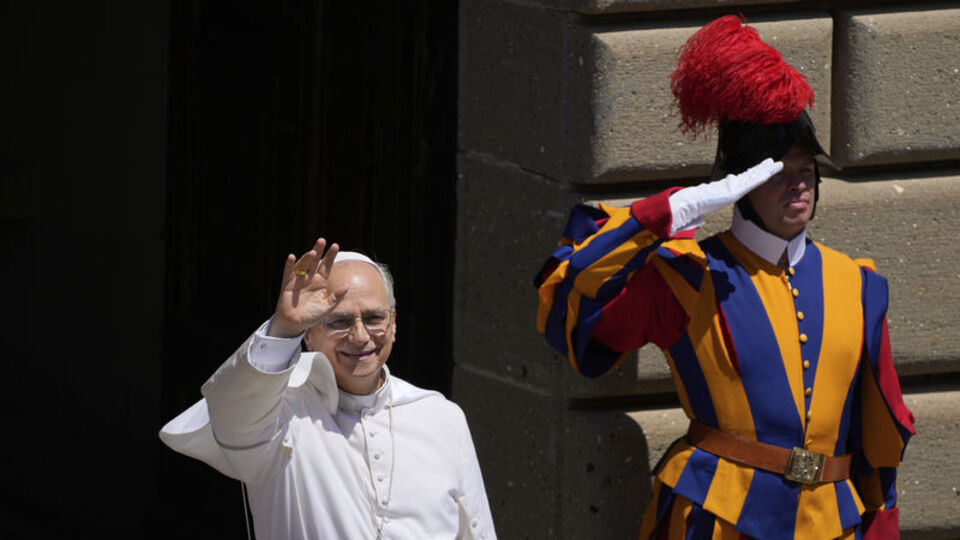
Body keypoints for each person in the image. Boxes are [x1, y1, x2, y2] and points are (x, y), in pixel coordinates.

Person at [534, 16, 914, 540]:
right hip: (717, 520)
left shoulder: (858, 284)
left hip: (832, 524)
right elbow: (574, 298)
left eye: (806, 170)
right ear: (741, 183)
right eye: (777, 173)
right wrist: (667, 213)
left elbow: (879, 433)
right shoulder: (686, 274)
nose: (798, 185)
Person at [161, 238, 496, 540]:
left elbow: (477, 532)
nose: (360, 337)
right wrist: (284, 328)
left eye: (374, 318)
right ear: (309, 334)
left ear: (393, 323)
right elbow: (232, 418)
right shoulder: (281, 415)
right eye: (340, 321)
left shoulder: (442, 417)